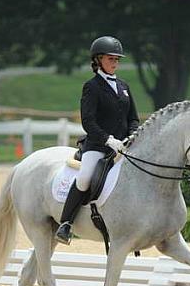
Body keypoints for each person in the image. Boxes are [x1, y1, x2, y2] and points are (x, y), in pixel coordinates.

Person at [55, 36, 140, 245]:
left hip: (124, 146)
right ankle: (65, 224)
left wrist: (131, 136)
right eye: (111, 59)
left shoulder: (124, 86)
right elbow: (88, 122)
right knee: (85, 178)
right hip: (98, 145)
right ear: (98, 60)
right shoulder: (91, 87)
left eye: (117, 59)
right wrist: (108, 140)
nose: (114, 63)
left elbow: (133, 118)